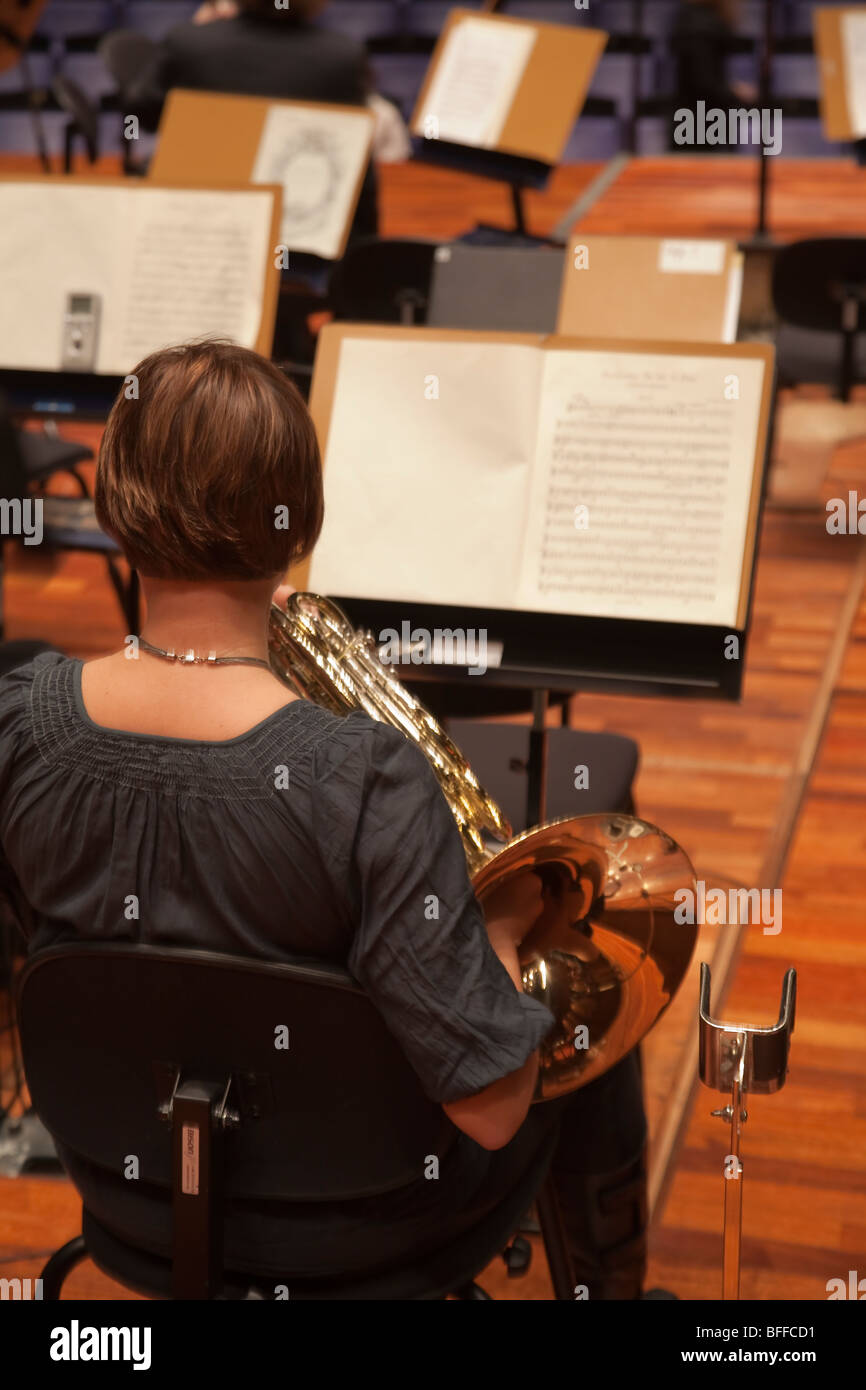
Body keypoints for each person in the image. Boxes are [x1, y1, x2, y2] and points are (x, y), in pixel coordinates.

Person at [0, 340, 651, 1297]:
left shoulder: (21, 722)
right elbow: (492, 1110)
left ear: (110, 511)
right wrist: (507, 923)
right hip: (369, 1226)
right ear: (296, 523)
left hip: (125, 1191)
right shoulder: (363, 778)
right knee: (577, 1029)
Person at [127, 0, 378, 238]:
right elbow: (355, 162)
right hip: (297, 238)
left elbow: (141, 114)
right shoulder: (343, 56)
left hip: (199, 228)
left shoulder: (188, 42)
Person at [668, 0, 758, 151]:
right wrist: (735, 92)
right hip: (700, 126)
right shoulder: (701, 29)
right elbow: (703, 82)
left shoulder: (692, 21)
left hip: (694, 121)